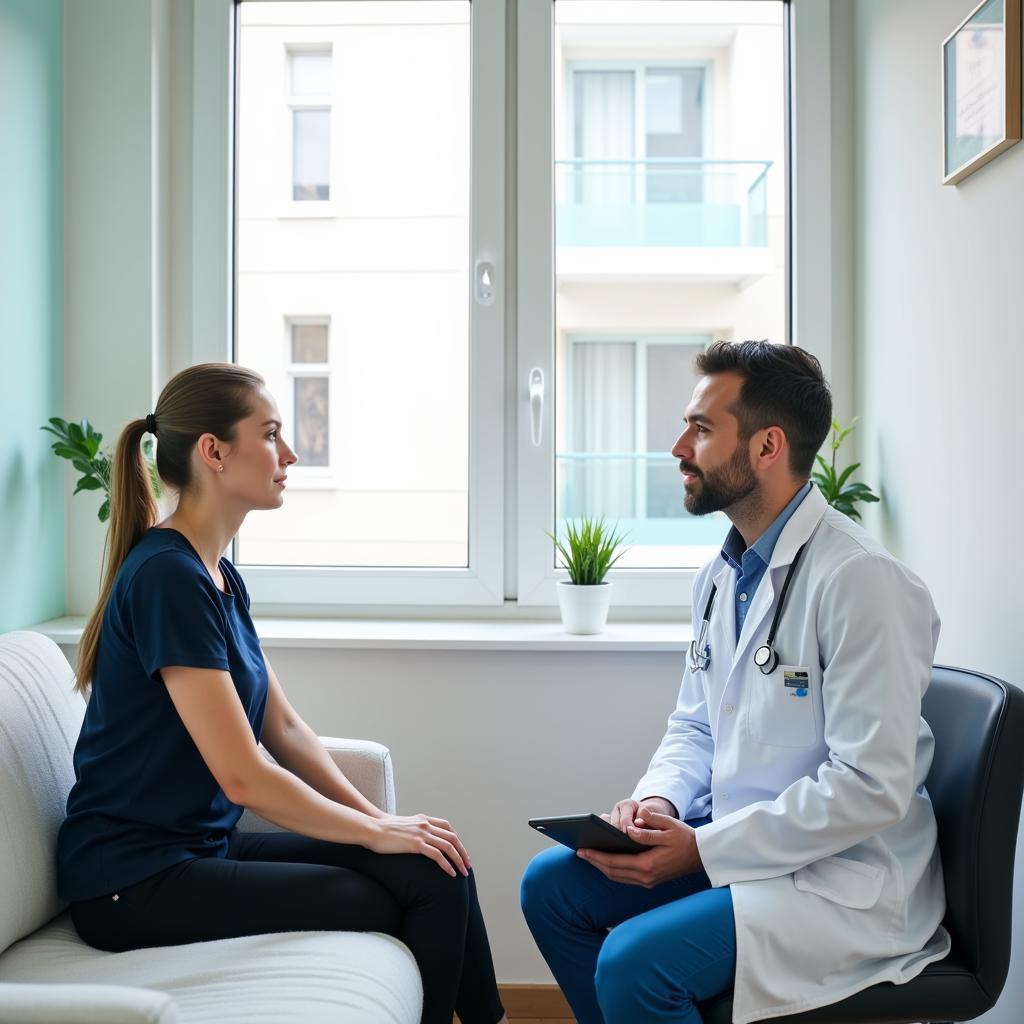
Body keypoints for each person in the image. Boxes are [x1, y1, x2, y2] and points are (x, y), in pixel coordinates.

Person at [57, 363, 507, 1024]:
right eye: (270, 434)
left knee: (439, 865)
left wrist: (382, 825)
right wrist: (370, 833)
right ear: (214, 452)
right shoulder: (166, 578)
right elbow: (244, 776)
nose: (289, 453)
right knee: (394, 898)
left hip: (199, 849)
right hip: (130, 882)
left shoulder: (219, 577)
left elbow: (286, 729)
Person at [520, 341, 950, 1024]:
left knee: (634, 962)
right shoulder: (724, 577)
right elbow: (696, 722)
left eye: (700, 428)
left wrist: (703, 847)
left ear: (767, 447)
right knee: (552, 888)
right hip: (746, 845)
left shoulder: (862, 581)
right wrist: (658, 803)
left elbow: (871, 787)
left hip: (844, 881)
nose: (676, 447)